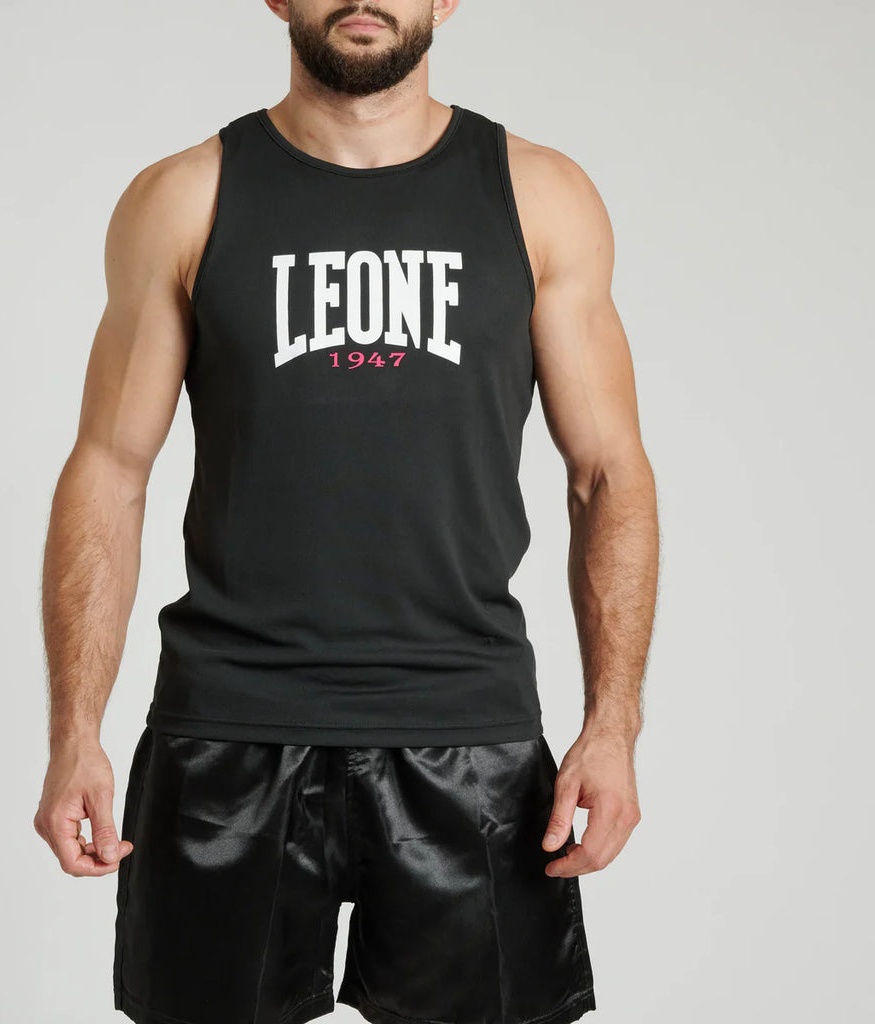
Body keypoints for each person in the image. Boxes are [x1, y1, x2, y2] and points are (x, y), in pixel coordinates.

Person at [33, 3, 659, 1023]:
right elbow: (109, 470)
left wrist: (613, 725)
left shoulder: (540, 196)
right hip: (228, 727)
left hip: (468, 727)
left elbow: (607, 472)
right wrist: (74, 732)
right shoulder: (186, 197)